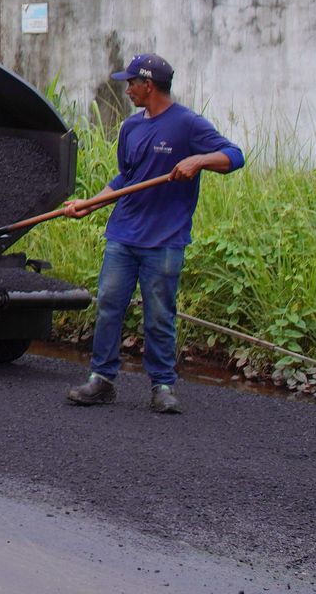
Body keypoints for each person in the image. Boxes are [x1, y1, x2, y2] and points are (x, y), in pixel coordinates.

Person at [64, 54, 243, 414]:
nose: (127, 89)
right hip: (123, 234)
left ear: (149, 85)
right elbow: (124, 179)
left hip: (165, 239)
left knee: (160, 313)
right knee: (109, 306)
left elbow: (234, 156)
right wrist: (91, 203)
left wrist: (198, 160)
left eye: (131, 83)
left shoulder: (188, 124)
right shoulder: (131, 127)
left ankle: (162, 385)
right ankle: (102, 380)